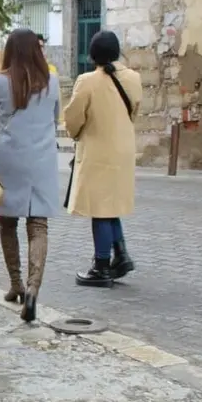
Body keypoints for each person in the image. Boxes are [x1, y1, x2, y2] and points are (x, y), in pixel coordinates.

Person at [0, 28, 61, 323]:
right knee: (38, 225)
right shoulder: (52, 83)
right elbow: (55, 119)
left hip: (8, 158)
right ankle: (33, 288)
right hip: (42, 159)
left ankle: (15, 283)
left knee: (7, 223)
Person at [64, 31, 141, 287]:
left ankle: (101, 266)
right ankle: (122, 255)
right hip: (123, 149)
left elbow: (73, 119)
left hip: (98, 151)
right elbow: (135, 111)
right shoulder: (133, 78)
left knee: (99, 208)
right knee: (111, 206)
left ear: (93, 54)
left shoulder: (87, 81)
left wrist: (76, 133)